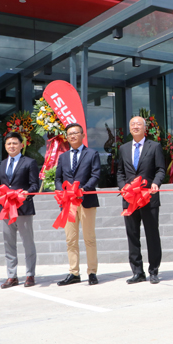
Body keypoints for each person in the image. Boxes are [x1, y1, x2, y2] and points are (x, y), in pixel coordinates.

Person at [117, 116, 165, 284]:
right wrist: (123, 187)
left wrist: (156, 183)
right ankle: (137, 272)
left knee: (152, 234)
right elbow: (120, 172)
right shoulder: (123, 148)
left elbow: (160, 169)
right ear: (129, 128)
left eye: (139, 124)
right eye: (132, 124)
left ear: (145, 128)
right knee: (132, 235)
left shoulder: (155, 146)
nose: (135, 126)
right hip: (130, 198)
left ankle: (154, 270)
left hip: (148, 197)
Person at [55, 123, 101, 286]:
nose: (72, 136)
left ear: (82, 135)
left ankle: (92, 272)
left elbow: (95, 175)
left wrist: (83, 189)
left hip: (86, 200)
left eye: (76, 133)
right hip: (68, 203)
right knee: (71, 239)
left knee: (89, 238)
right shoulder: (63, 157)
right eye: (69, 134)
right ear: (67, 138)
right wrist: (62, 191)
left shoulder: (92, 153)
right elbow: (58, 178)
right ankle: (74, 273)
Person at [0, 132, 39, 288]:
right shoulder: (0, 165)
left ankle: (30, 275)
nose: (11, 146)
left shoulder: (30, 162)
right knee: (9, 243)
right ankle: (12, 276)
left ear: (21, 145)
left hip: (23, 208)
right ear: (5, 147)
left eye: (14, 143)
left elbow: (35, 185)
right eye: (8, 144)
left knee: (28, 243)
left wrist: (27, 194)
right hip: (6, 209)